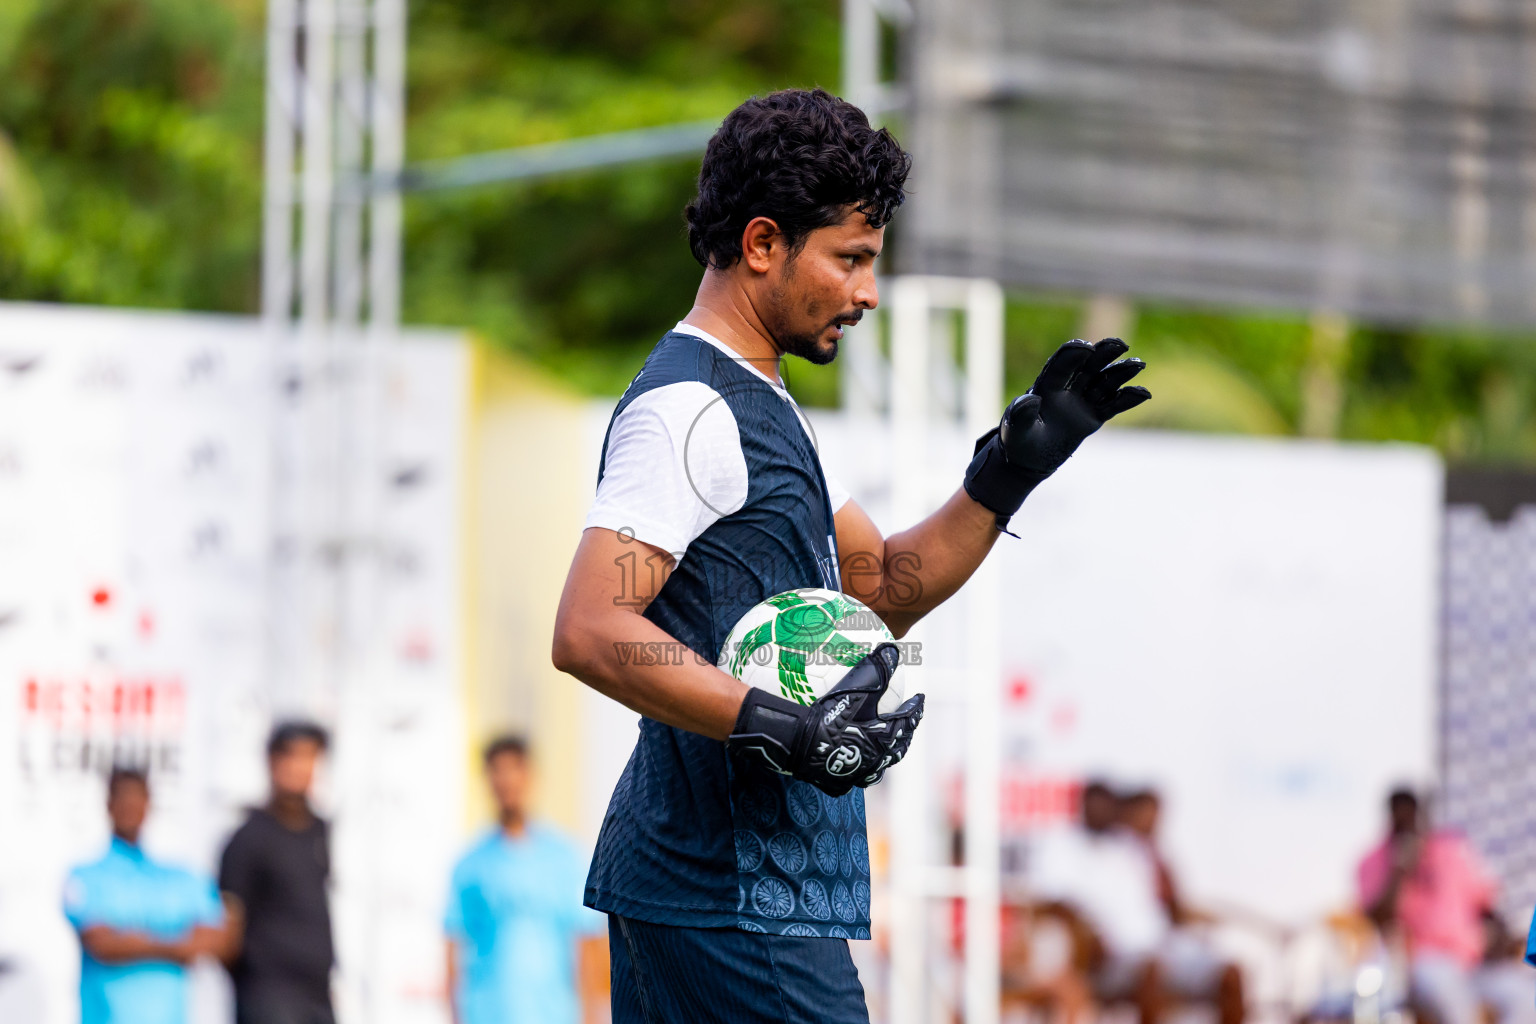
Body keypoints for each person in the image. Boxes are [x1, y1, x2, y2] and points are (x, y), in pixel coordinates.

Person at [551, 87, 1150, 1022]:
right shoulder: (688, 412)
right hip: (731, 898)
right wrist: (786, 727)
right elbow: (592, 628)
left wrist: (1006, 475)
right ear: (762, 244)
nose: (868, 293)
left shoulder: (761, 403)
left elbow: (881, 591)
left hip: (725, 894)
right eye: (851, 259)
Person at [445, 735, 606, 1024]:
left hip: (555, 1015)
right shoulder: (469, 865)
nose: (507, 780)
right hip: (485, 1015)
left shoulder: (565, 859)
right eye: (498, 770)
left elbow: (587, 946)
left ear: (530, 775)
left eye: (514, 769)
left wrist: (591, 1017)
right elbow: (453, 950)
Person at [63, 767, 230, 1024]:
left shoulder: (180, 876)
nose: (130, 806)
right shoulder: (86, 876)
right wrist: (176, 944)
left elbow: (217, 941)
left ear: (149, 804)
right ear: (108, 805)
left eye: (137, 797)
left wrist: (133, 940)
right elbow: (103, 945)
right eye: (123, 797)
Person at [1358, 788, 1535, 1024]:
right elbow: (1376, 919)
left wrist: (1502, 941)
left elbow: (1487, 906)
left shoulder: (1449, 849)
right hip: (1422, 963)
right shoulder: (1375, 859)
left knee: (1526, 998)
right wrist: (1400, 868)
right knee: (1457, 1004)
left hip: (1474, 961)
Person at [218, 721, 335, 1024]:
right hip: (268, 997)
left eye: (309, 757)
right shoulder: (249, 838)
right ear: (272, 761)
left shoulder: (323, 833)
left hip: (318, 996)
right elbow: (228, 930)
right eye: (292, 756)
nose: (300, 767)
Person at [1119, 788, 1245, 1024]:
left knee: (1231, 975)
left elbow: (1174, 908)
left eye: (1156, 814)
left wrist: (1202, 917)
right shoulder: (1116, 854)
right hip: (1135, 948)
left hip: (1174, 944)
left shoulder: (1162, 855)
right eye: (1146, 813)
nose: (1152, 820)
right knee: (1151, 973)